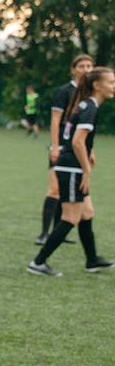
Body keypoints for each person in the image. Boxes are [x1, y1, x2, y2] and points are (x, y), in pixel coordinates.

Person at [27, 66, 115, 276]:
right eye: (111, 82)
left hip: (69, 165)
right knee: (71, 218)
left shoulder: (83, 104)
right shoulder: (90, 107)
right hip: (72, 167)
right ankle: (38, 263)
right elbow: (77, 142)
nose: (114, 86)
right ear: (96, 85)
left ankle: (92, 260)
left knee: (87, 213)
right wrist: (86, 171)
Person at [36, 54, 93, 245]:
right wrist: (55, 146)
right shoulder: (65, 91)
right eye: (82, 66)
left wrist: (90, 150)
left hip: (77, 149)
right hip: (62, 148)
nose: (86, 70)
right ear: (73, 69)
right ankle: (44, 234)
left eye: (89, 66)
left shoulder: (88, 94)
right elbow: (55, 121)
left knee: (67, 192)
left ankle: (57, 232)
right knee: (54, 190)